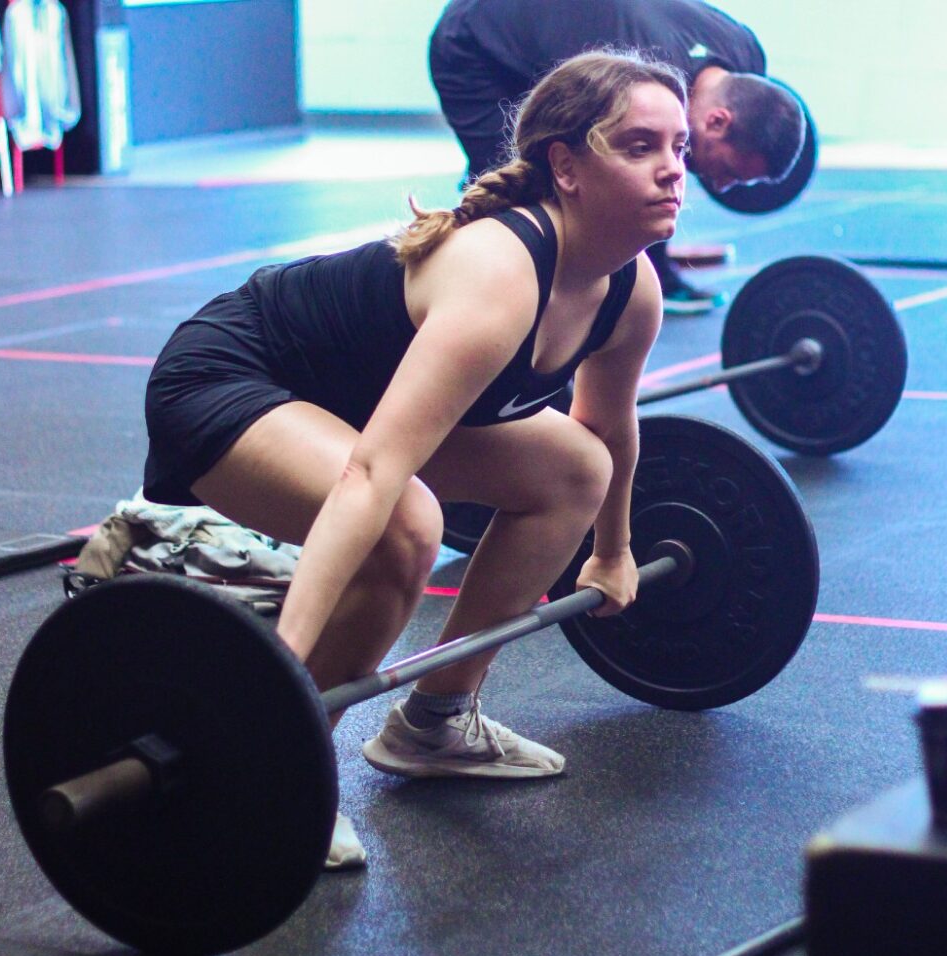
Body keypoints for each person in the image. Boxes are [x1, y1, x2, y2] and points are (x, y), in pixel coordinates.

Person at [143, 50, 688, 868]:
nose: (672, 171)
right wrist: (284, 663)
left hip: (349, 407)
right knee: (405, 526)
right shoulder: (501, 272)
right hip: (229, 377)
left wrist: (613, 551)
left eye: (678, 147)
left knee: (574, 469)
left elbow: (607, 428)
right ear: (566, 167)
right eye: (640, 146)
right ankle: (284, 761)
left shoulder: (628, 289)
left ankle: (436, 721)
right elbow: (370, 473)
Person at [429, 0, 806, 314]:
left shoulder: (746, 53)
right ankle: (463, 291)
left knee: (653, 161)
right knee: (527, 180)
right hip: (477, 42)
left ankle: (660, 278)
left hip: (559, 34)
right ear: (718, 121)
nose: (721, 185)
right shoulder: (630, 79)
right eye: (726, 171)